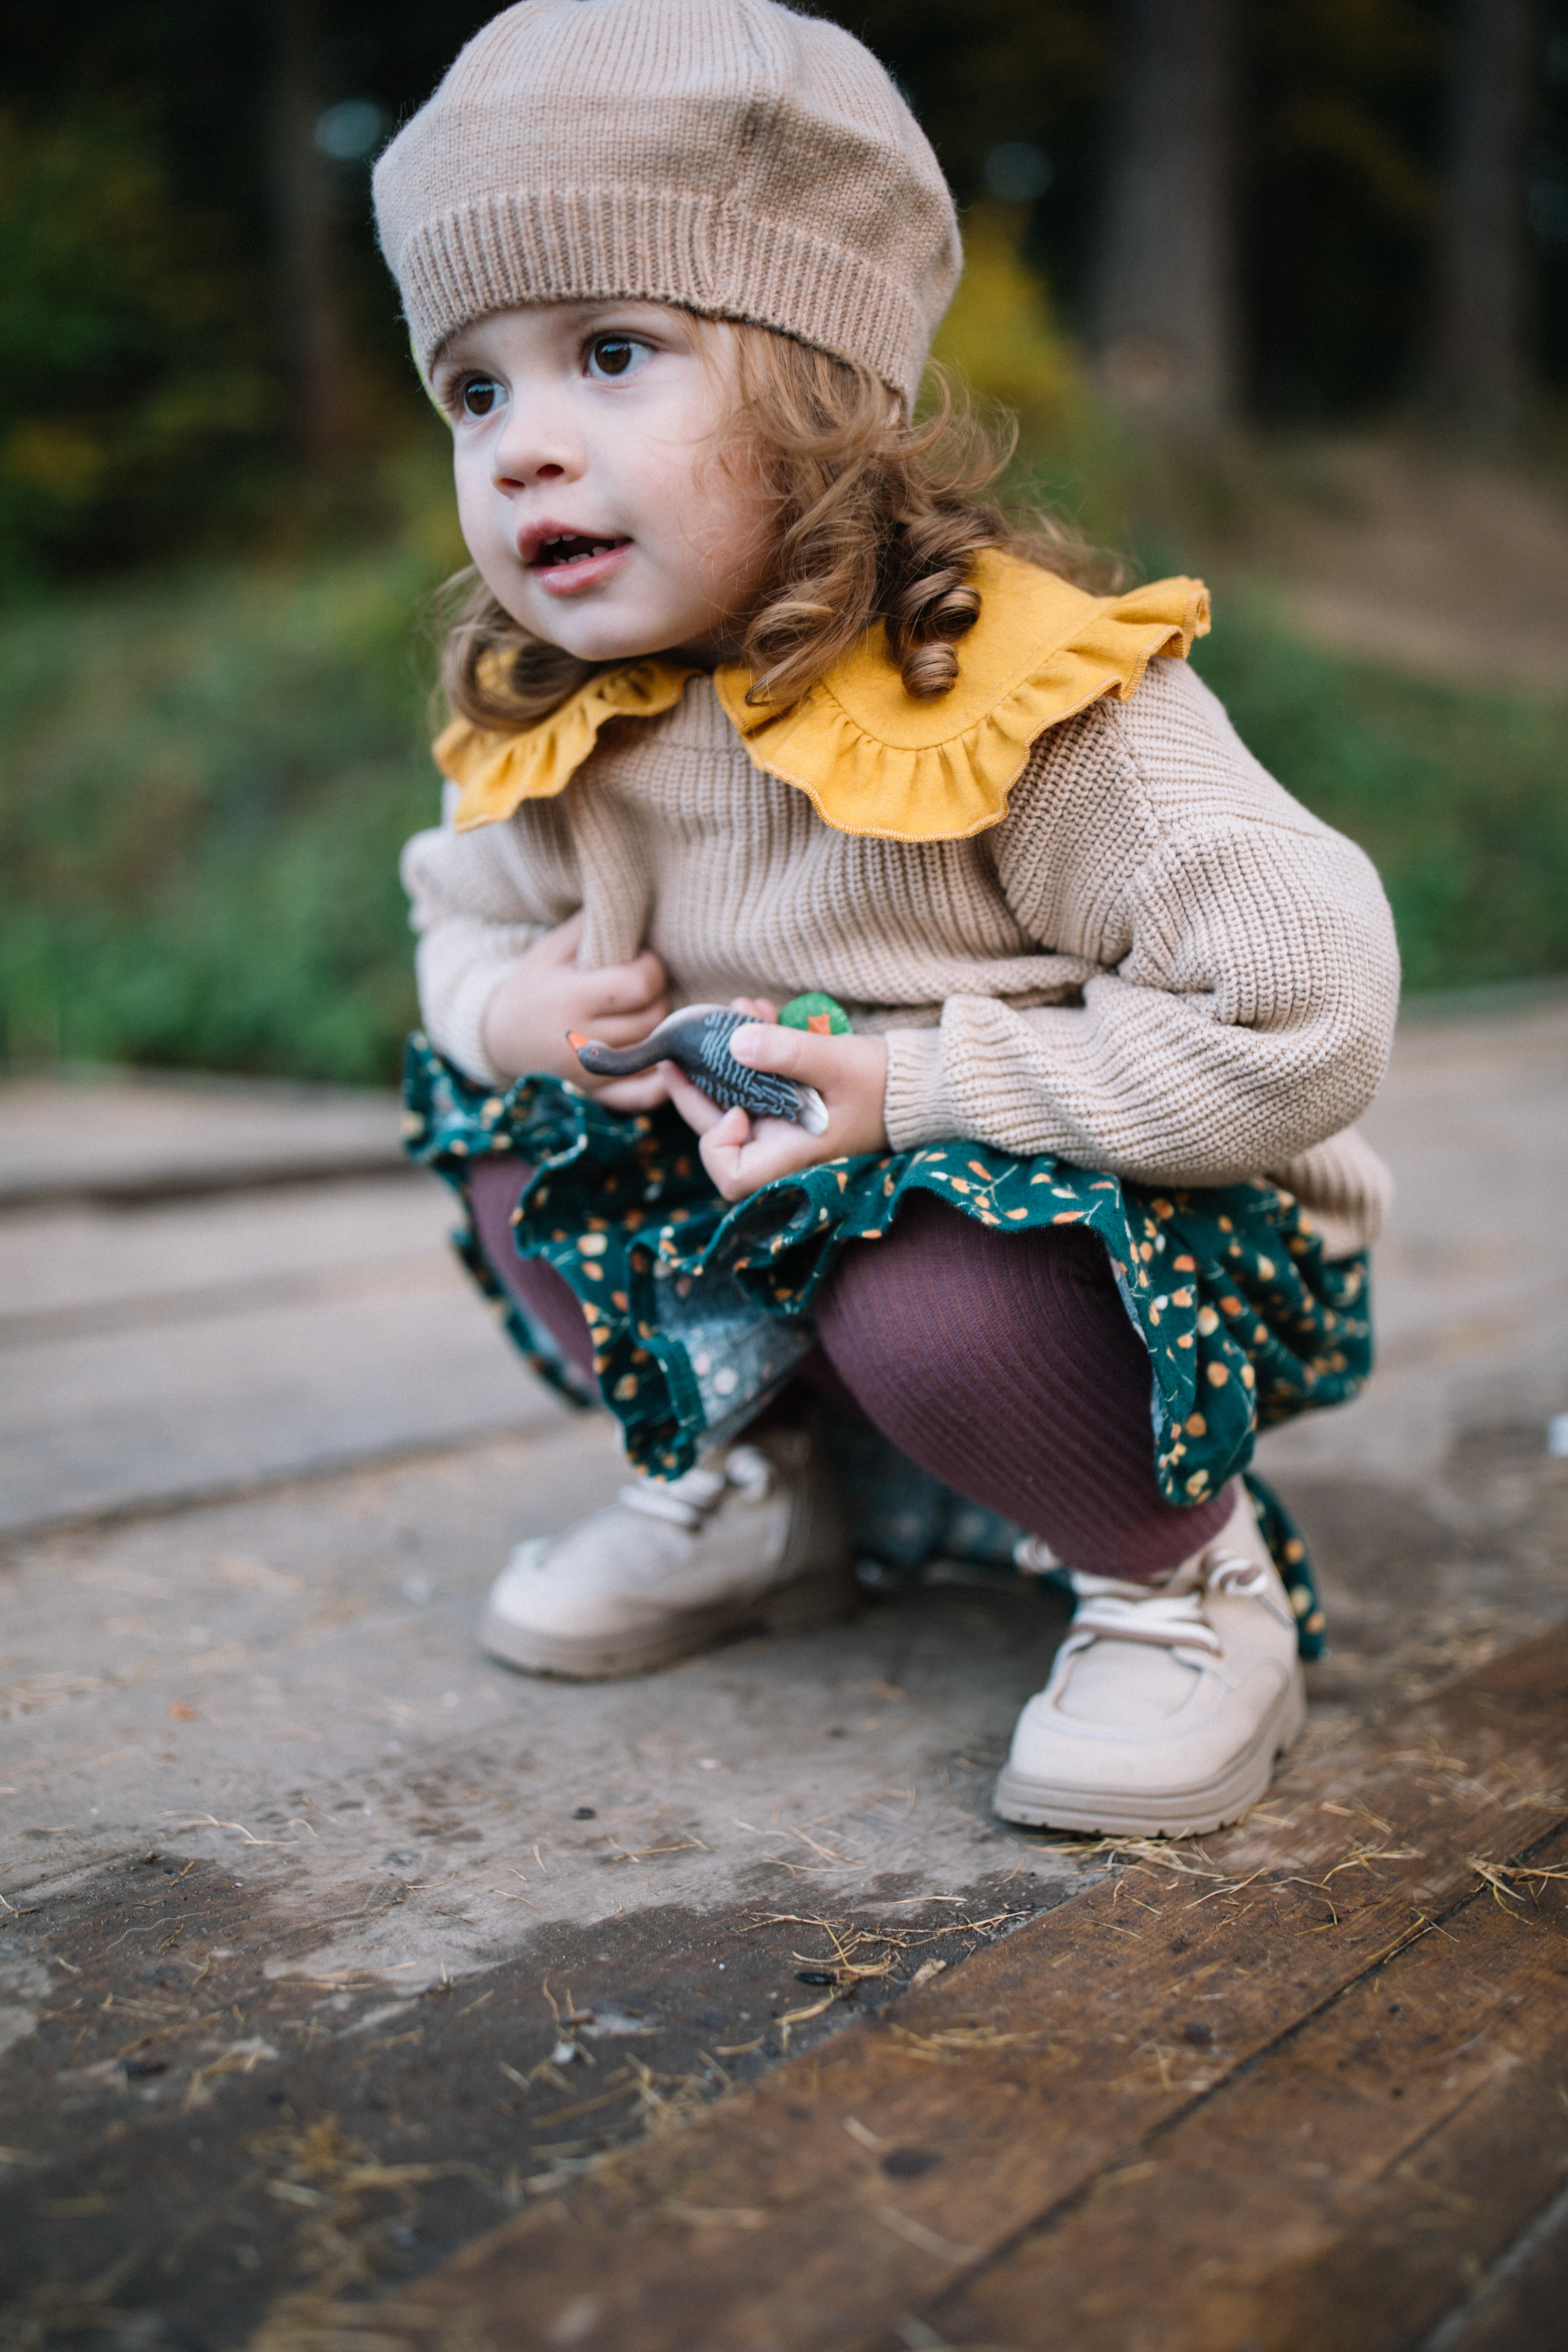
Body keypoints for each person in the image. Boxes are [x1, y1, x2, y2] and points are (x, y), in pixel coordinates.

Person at [372, 0, 1399, 1839]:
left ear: (823, 381)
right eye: (479, 388)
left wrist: (921, 1092)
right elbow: (452, 936)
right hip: (779, 1210)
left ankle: (1177, 1576)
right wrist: (516, 1017)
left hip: (1122, 1233)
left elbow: (1305, 1008)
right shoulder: (556, 713)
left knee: (927, 1284)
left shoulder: (1019, 693)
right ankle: (765, 1494)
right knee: (514, 1145)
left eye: (613, 353)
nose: (523, 446)